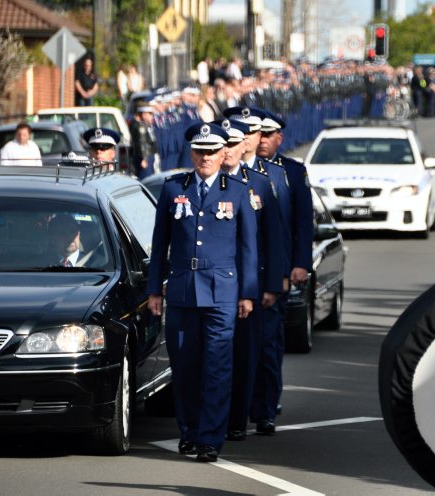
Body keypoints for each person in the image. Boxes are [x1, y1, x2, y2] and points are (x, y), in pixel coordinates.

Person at [146, 121, 258, 463]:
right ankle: (190, 431)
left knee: (217, 366)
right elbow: (160, 243)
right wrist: (154, 289)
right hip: (182, 290)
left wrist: (247, 293)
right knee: (184, 366)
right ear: (191, 153)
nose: (205, 157)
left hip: (222, 291)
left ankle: (210, 438)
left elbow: (248, 248)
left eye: (212, 151)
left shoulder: (236, 190)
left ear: (223, 153)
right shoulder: (173, 188)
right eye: (200, 151)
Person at [216, 118, 286, 441]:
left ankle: (240, 418)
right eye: (225, 144)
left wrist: (272, 284)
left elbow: (272, 238)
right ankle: (218, 417)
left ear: (244, 144)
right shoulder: (205, 183)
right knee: (216, 355)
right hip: (216, 284)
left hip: (250, 286)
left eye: (234, 143)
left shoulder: (258, 183)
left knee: (248, 355)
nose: (229, 150)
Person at [253, 108, 313, 434]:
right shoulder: (236, 172)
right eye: (256, 134)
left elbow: (303, 221)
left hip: (277, 271)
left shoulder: (291, 172)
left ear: (279, 137)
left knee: (269, 344)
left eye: (267, 135)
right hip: (242, 273)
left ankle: (266, 405)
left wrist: (300, 263)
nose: (261, 140)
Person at [130, 104, 159, 179]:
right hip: (145, 157)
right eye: (150, 114)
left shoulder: (147, 125)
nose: (152, 116)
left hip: (150, 155)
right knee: (146, 179)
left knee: (151, 177)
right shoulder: (141, 127)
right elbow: (141, 143)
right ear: (144, 114)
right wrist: (144, 158)